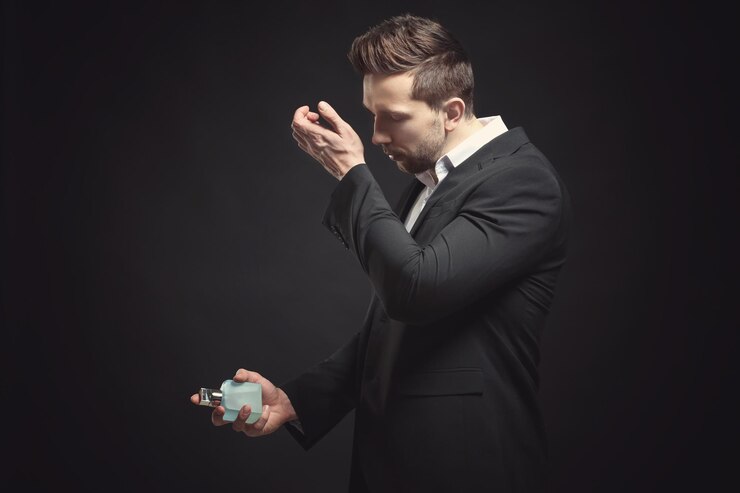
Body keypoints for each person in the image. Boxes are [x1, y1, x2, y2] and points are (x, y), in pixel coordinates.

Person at [191, 13, 571, 492]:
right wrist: (293, 401)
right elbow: (393, 330)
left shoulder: (522, 181)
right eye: (373, 114)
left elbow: (414, 291)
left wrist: (352, 172)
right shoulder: (431, 182)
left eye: (393, 117)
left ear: (452, 112)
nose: (375, 137)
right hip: (391, 467)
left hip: (467, 470)